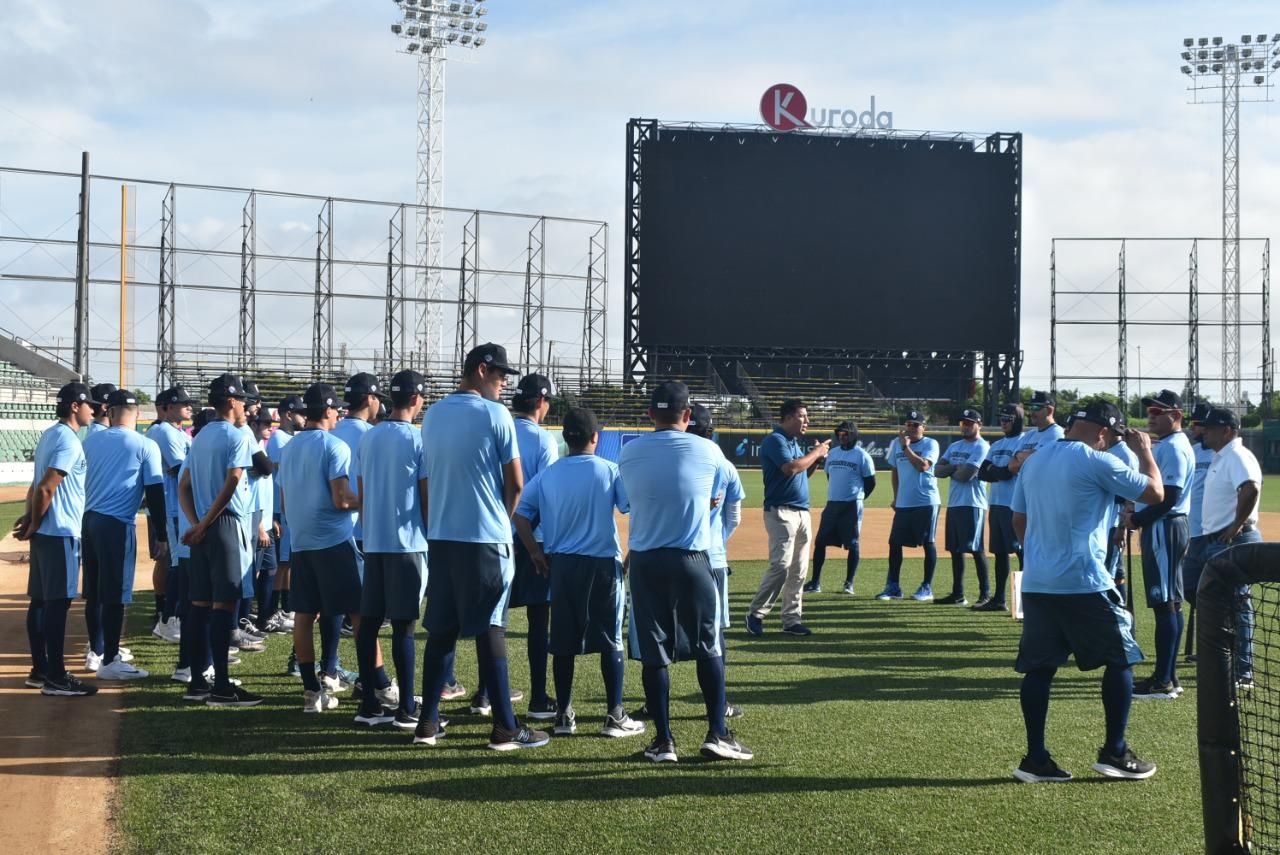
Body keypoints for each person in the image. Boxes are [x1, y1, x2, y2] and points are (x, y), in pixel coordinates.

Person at [1011, 400, 1162, 783]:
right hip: (1083, 579)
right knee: (1121, 659)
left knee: (1039, 669)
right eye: (1112, 435)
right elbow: (1155, 493)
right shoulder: (1096, 460)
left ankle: (1035, 759)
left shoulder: (1035, 460)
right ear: (1102, 431)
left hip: (1039, 580)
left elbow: (1019, 518)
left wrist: (1040, 557)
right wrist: (1145, 452)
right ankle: (1115, 752)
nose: (1110, 442)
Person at [414, 342, 548, 750]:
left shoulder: (433, 414)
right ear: (481, 369)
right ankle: (506, 727)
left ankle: (427, 723)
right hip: (485, 537)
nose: (505, 382)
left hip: (442, 536)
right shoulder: (495, 414)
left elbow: (425, 482)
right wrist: (502, 520)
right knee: (491, 626)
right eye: (500, 374)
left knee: (442, 629)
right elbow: (518, 483)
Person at [619, 380, 752, 762]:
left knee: (653, 653)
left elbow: (627, 504)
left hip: (645, 561)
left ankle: (663, 741)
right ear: (688, 415)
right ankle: (717, 732)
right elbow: (717, 500)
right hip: (694, 559)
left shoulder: (629, 453)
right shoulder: (710, 451)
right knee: (709, 646)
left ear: (650, 415)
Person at [514, 406, 644, 738]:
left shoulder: (549, 474)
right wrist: (629, 558)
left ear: (565, 438)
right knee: (610, 638)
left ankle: (564, 715)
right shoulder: (610, 469)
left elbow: (521, 515)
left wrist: (534, 551)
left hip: (562, 564)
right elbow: (632, 508)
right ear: (595, 438)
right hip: (602, 564)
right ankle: (614, 715)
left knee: (562, 640)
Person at [279, 383, 388, 714]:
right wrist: (369, 500)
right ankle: (380, 684)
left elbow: (285, 500)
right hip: (333, 541)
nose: (339, 413)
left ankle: (312, 691)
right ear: (327, 411)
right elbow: (342, 501)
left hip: (302, 541)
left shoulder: (290, 447)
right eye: (336, 409)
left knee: (303, 615)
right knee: (361, 615)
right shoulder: (334, 446)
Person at [351, 370, 432, 729]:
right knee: (403, 627)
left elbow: (363, 490)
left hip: (375, 540)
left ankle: (369, 703)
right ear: (416, 399)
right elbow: (426, 498)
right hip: (407, 542)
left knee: (369, 625)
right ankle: (406, 709)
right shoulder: (417, 440)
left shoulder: (368, 438)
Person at [178, 373, 263, 707]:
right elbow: (231, 484)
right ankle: (222, 686)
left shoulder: (200, 436)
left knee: (199, 605)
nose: (246, 406)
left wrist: (196, 523)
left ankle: (198, 681)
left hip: (204, 525)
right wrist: (206, 522)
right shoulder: (236, 435)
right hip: (224, 524)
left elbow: (183, 486)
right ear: (231, 401)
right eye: (242, 399)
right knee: (223, 605)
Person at [12, 381, 97, 696]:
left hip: (48, 531)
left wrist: (31, 519)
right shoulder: (69, 441)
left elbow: (36, 486)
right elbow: (47, 486)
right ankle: (57, 677)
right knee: (58, 605)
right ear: (75, 406)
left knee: (40, 601)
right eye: (90, 404)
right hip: (60, 531)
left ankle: (40, 670)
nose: (93, 410)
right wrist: (34, 520)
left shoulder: (50, 434)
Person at [82, 389, 166, 680]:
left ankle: (96, 650)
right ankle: (111, 659)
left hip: (89, 519)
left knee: (94, 591)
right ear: (139, 414)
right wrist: (163, 533)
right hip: (117, 523)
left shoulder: (91, 440)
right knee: (115, 594)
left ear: (109, 411)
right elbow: (155, 493)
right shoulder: (144, 444)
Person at [493, 373, 559, 720]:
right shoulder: (544, 441)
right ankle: (537, 697)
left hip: (494, 533)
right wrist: (538, 547)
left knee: (493, 621)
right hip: (531, 539)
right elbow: (545, 499)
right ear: (540, 402)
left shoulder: (499, 428)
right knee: (538, 621)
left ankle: (487, 692)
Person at [1122, 390, 1194, 700]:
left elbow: (1171, 498)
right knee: (1169, 601)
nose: (1150, 416)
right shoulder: (1164, 446)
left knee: (1165, 602)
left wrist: (1137, 520)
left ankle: (1163, 680)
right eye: (1149, 411)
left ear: (1176, 415)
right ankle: (1168, 675)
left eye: (1156, 411)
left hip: (1165, 526)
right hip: (1163, 526)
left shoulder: (1174, 448)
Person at [745, 398, 828, 636]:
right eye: (803, 416)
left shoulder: (793, 442)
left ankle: (791, 620)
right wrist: (817, 452)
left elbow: (801, 475)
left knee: (799, 569)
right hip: (781, 511)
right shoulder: (775, 440)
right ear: (788, 417)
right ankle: (755, 614)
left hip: (802, 512)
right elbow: (790, 469)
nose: (807, 421)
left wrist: (816, 460)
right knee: (781, 565)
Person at [687, 403, 745, 718]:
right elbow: (733, 515)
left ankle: (654, 701)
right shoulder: (722, 462)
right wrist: (717, 541)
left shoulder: (674, 456)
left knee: (663, 631)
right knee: (714, 633)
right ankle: (718, 704)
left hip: (669, 553)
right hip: (712, 556)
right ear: (711, 430)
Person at [1198, 406, 1263, 684]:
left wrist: (1235, 525)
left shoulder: (1236, 455)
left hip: (1234, 540)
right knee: (1220, 601)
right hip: (1220, 540)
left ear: (1226, 430)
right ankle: (1231, 659)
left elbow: (1250, 488)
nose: (1204, 432)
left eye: (1210, 428)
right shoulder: (1222, 456)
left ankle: (1243, 671)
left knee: (1239, 605)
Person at [146, 385, 194, 645]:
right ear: (165, 407)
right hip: (173, 506)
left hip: (176, 506)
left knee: (172, 562)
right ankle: (167, 618)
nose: (188, 407)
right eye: (182, 403)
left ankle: (166, 616)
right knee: (175, 564)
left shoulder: (174, 431)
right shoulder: (163, 431)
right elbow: (181, 469)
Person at [876, 409, 941, 602]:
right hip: (904, 502)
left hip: (926, 501)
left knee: (928, 543)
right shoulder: (897, 444)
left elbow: (923, 466)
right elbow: (895, 471)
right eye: (908, 424)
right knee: (894, 543)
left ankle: (927, 587)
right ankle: (893, 586)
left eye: (915, 425)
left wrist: (906, 448)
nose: (911, 428)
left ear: (923, 427)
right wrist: (896, 497)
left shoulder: (931, 443)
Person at [805, 420, 875, 595]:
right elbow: (829, 475)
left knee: (852, 544)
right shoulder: (833, 454)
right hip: (832, 504)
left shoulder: (862, 455)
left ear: (853, 435)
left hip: (852, 505)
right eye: (839, 434)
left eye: (845, 434)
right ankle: (815, 582)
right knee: (820, 542)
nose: (842, 437)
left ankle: (849, 583)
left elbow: (870, 483)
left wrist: (857, 498)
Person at [976, 403, 1031, 611]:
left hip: (1015, 505)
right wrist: (999, 469)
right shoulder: (997, 444)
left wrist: (995, 469)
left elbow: (1008, 473)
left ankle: (1024, 603)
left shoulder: (1024, 442)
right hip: (996, 503)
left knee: (1022, 552)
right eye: (1002, 419)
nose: (1004, 422)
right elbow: (982, 473)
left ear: (1017, 420)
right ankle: (999, 599)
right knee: (999, 553)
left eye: (1008, 419)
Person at [934, 409, 991, 606]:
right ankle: (958, 594)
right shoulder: (955, 445)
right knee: (956, 549)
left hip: (973, 503)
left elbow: (966, 475)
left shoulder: (982, 446)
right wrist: (955, 468)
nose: (965, 427)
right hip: (955, 503)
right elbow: (937, 470)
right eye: (963, 423)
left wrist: (952, 469)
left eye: (969, 423)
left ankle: (985, 594)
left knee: (976, 549)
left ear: (979, 424)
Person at [266, 395, 302, 671]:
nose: (302, 415)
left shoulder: (289, 439)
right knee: (281, 562)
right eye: (298, 412)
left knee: (286, 562)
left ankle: (284, 607)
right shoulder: (279, 438)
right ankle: (274, 608)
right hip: (281, 506)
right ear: (287, 414)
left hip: (285, 505)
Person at [1179, 402, 1216, 647]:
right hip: (1194, 534)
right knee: (1186, 585)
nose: (1193, 429)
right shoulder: (1193, 451)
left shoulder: (1221, 453)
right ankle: (1217, 618)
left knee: (1230, 595)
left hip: (1216, 534)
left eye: (1197, 425)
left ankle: (1225, 635)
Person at [1101, 413, 1138, 590]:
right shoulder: (1108, 450)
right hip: (1110, 519)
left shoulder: (1125, 454)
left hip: (1117, 520)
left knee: (1108, 570)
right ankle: (1122, 610)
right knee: (1116, 571)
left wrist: (1122, 527)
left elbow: (1130, 495)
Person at [1008, 391, 1064, 476]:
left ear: (1049, 410)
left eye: (1036, 408)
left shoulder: (1056, 433)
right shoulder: (1029, 434)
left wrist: (1019, 455)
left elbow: (1038, 462)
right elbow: (1011, 466)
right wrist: (1028, 455)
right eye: (1030, 408)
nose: (1031, 412)